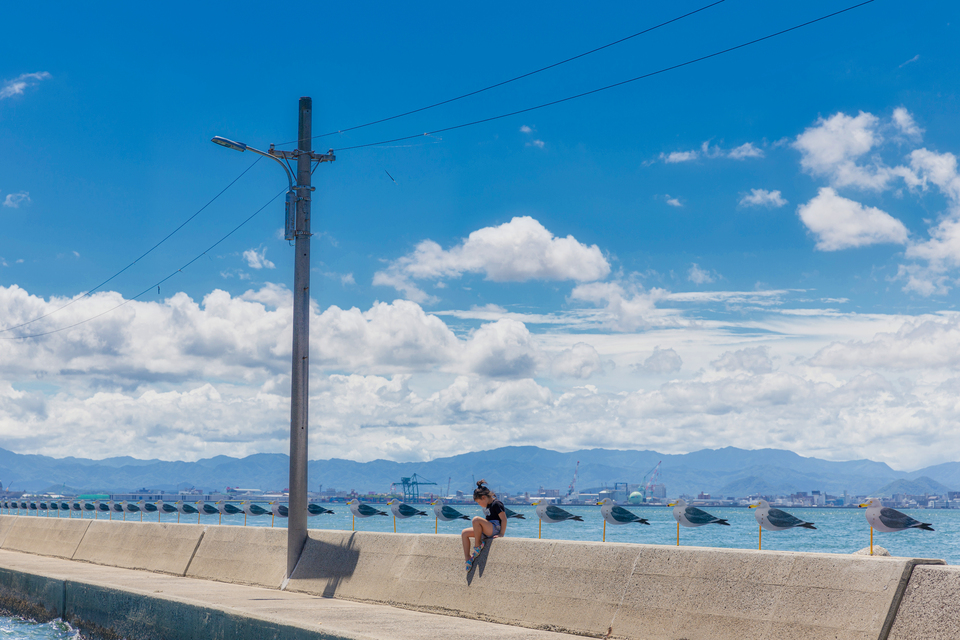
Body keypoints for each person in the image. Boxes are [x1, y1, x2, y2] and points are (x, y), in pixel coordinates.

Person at [462, 479, 506, 570]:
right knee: (464, 533)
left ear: (484, 497)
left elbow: (504, 519)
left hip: (495, 528)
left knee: (476, 519)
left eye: (479, 502)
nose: (479, 504)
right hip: (488, 529)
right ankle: (468, 558)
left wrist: (501, 533)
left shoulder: (496, 504)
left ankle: (478, 545)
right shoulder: (487, 505)